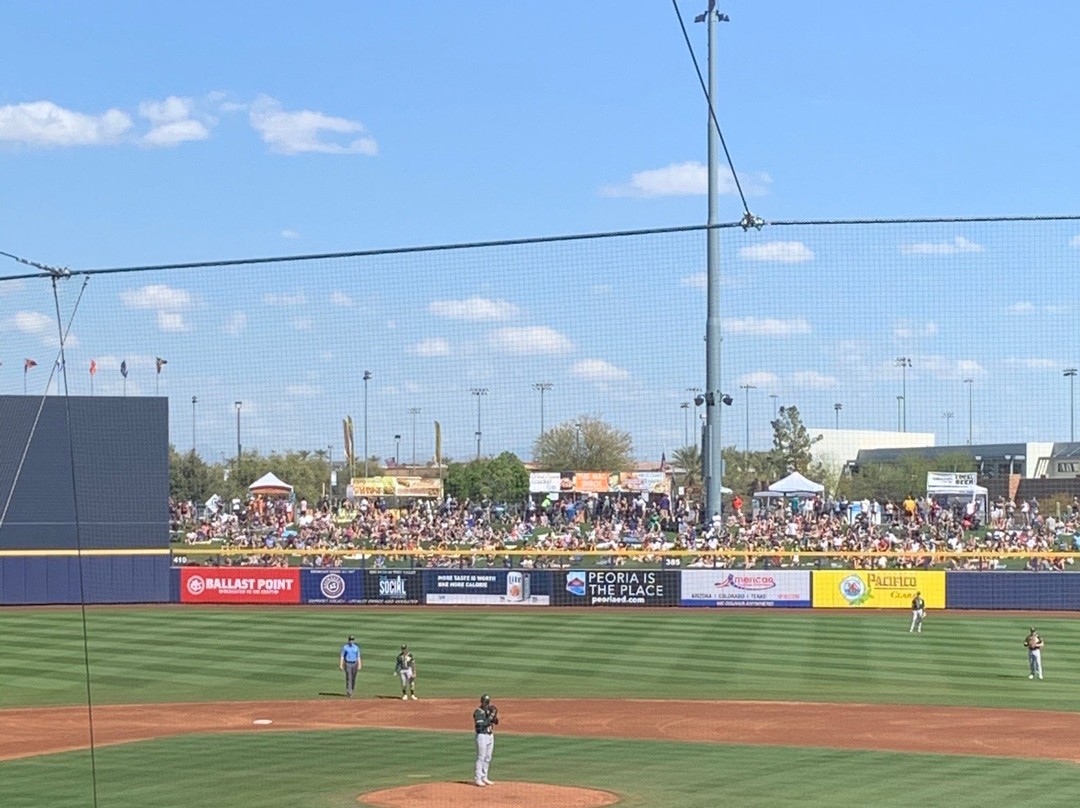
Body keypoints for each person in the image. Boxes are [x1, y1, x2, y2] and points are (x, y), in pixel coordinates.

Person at [473, 694, 498, 787]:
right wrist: (490, 717)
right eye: (485, 702)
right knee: (481, 757)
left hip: (490, 735)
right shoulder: (478, 712)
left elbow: (496, 722)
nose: (486, 704)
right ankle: (478, 778)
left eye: (487, 702)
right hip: (482, 736)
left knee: (488, 757)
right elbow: (480, 725)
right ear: (481, 702)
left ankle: (484, 777)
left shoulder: (488, 711)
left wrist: (494, 715)